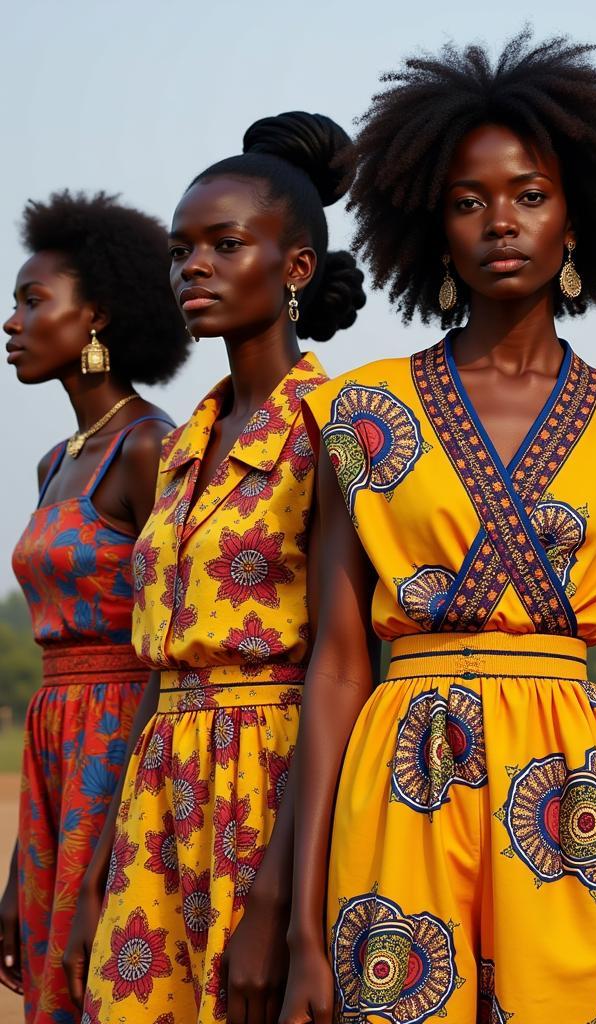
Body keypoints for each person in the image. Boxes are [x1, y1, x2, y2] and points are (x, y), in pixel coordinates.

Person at [282, 33, 596, 1024]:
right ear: (432, 229)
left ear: (577, 220)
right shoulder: (360, 412)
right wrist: (301, 926)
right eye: (468, 201)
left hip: (572, 796)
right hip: (398, 787)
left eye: (529, 194)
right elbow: (337, 667)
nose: (499, 221)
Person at [70, 112, 365, 1023]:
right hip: (160, 786)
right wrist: (102, 870)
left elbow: (343, 666)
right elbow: (154, 673)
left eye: (224, 244)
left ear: (296, 269)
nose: (191, 267)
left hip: (274, 785)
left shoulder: (338, 428)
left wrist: (281, 895)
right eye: (180, 250)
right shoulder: (180, 442)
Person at [2, 190, 186, 1022]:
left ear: (97, 318)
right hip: (52, 733)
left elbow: (170, 636)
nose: (12, 320)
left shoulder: (150, 446)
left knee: (109, 968)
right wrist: (16, 868)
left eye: (33, 300)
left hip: (123, 728)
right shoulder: (53, 462)